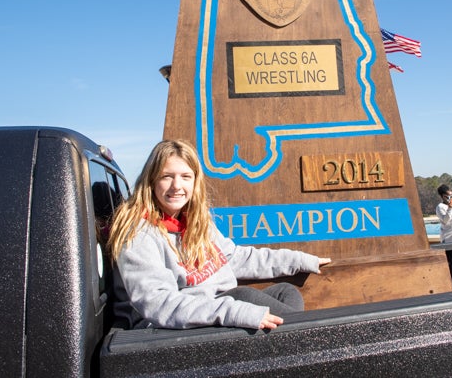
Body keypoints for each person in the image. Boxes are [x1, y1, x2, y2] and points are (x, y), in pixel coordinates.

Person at [108, 139, 331, 331]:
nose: (177, 186)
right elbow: (158, 304)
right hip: (167, 330)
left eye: (185, 176)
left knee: (286, 292)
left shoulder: (194, 221)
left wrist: (300, 261)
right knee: (246, 298)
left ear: (195, 182)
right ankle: (312, 342)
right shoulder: (138, 232)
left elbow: (236, 258)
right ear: (151, 180)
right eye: (167, 176)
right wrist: (235, 312)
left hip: (216, 305)